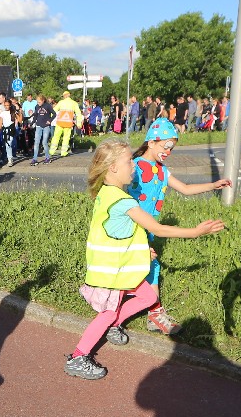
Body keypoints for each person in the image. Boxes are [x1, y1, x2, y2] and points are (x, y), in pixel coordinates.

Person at [65, 138, 225, 380]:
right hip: (112, 272)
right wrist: (195, 232)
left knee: (148, 296)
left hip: (119, 267)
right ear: (113, 168)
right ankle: (78, 356)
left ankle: (112, 326)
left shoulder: (107, 193)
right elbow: (157, 229)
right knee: (108, 313)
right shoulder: (123, 201)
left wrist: (142, 251)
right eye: (129, 161)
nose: (134, 165)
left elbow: (116, 233)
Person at [127, 118, 232, 334]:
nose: (168, 152)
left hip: (148, 229)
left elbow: (185, 188)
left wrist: (213, 185)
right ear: (151, 142)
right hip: (130, 227)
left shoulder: (162, 171)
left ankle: (148, 313)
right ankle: (122, 312)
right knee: (139, 266)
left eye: (171, 148)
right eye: (165, 146)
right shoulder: (133, 166)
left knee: (147, 266)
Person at [49, 89, 81, 158]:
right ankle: (63, 152)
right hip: (68, 124)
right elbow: (78, 114)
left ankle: (51, 151)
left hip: (60, 123)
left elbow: (53, 111)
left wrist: (49, 119)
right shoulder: (74, 103)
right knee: (66, 138)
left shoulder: (61, 102)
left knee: (56, 137)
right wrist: (79, 124)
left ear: (65, 96)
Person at [29, 93, 55, 165]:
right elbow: (35, 116)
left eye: (39, 102)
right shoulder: (37, 106)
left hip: (46, 126)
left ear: (43, 100)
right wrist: (31, 123)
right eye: (37, 102)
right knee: (36, 143)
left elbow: (54, 114)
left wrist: (50, 120)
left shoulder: (48, 106)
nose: (38, 103)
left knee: (44, 142)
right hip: (38, 126)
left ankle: (47, 158)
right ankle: (34, 159)